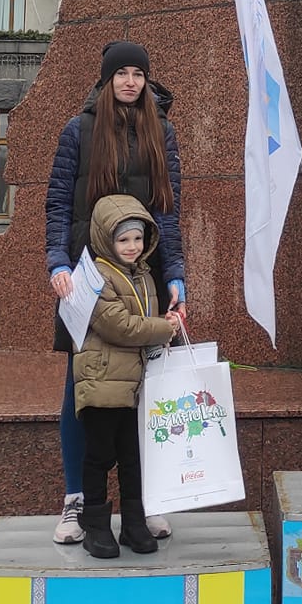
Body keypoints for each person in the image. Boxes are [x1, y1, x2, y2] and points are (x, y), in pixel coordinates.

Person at [45, 41, 185, 546]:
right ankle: (76, 500)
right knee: (81, 391)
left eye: (138, 73)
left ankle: (144, 501)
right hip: (85, 278)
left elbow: (168, 213)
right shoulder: (78, 130)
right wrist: (57, 262)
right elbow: (59, 203)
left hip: (143, 277)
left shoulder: (161, 132)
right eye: (120, 73)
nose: (130, 81)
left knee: (145, 392)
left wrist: (176, 276)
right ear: (105, 81)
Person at [74, 195, 181, 559]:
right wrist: (162, 329)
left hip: (134, 384)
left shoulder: (145, 274)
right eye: (123, 240)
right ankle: (96, 525)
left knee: (134, 458)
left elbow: (144, 326)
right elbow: (117, 326)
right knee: (100, 455)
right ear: (106, 240)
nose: (132, 246)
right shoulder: (95, 277)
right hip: (102, 381)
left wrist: (164, 328)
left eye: (137, 238)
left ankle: (134, 522)